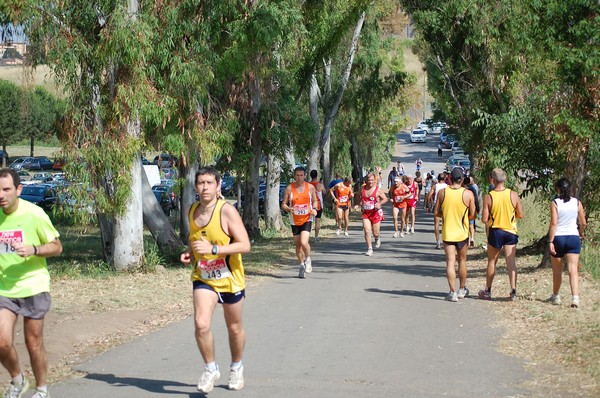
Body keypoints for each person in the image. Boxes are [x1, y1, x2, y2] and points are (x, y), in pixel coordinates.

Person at [180, 167, 251, 393]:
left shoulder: (226, 211)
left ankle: (236, 366)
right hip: (204, 278)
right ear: (195, 187)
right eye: (201, 183)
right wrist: (190, 252)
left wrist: (214, 249)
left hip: (230, 278)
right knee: (201, 324)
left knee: (234, 327)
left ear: (218, 186)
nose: (205, 187)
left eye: (210, 182)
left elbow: (245, 245)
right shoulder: (192, 211)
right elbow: (196, 239)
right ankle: (210, 368)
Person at [0, 168, 63, 398]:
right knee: (1, 342)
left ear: (18, 189)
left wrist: (33, 249)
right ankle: (18, 380)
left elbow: (57, 247)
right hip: (5, 287)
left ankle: (42, 389)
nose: (1, 195)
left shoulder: (34, 214)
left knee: (32, 342)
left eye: (6, 189)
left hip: (34, 285)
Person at [478, 168, 524, 301]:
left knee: (492, 261)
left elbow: (484, 219)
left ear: (492, 180)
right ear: (505, 179)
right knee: (511, 261)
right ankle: (513, 291)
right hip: (510, 231)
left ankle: (488, 290)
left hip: (495, 231)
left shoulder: (489, 197)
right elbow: (520, 214)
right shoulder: (513, 194)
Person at [434, 168, 476, 302]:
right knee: (462, 261)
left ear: (450, 178)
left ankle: (452, 292)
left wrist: (446, 213)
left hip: (448, 233)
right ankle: (462, 289)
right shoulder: (468, 194)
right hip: (462, 233)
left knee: (450, 262)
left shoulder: (442, 192)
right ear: (462, 179)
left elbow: (436, 212)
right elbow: (473, 215)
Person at [547, 178, 587, 308]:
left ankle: (556, 296)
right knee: (573, 269)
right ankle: (575, 297)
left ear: (558, 189)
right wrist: (580, 232)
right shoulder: (577, 202)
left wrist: (551, 240)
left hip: (559, 237)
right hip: (573, 237)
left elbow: (554, 223)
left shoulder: (555, 203)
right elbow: (583, 222)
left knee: (557, 270)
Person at [281, 167, 318, 278]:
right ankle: (301, 265)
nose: (299, 177)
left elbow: (315, 200)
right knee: (298, 245)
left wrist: (314, 209)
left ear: (305, 176)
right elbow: (283, 204)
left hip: (307, 218)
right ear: (294, 176)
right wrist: (288, 209)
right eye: (297, 175)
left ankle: (308, 260)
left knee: (303, 242)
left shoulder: (310, 187)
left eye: (301, 175)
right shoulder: (289, 188)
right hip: (294, 219)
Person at [354, 173, 388, 256]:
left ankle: (377, 238)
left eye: (372, 180)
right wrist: (357, 204)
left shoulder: (377, 190)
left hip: (375, 213)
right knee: (367, 230)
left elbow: (385, 199)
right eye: (369, 180)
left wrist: (379, 203)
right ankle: (369, 248)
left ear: (374, 180)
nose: (370, 182)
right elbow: (357, 196)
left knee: (375, 232)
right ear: (366, 180)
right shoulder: (362, 188)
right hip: (366, 213)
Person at [427, 172, 447, 249]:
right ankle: (445, 241)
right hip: (445, 205)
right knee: (445, 224)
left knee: (436, 224)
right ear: (444, 179)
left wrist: (428, 205)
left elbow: (429, 195)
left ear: (438, 179)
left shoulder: (435, 186)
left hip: (437, 205)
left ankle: (438, 242)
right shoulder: (447, 186)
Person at [308, 170, 326, 243]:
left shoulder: (308, 185)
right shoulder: (319, 185)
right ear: (317, 176)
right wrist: (322, 184)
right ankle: (316, 237)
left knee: (309, 221)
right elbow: (324, 192)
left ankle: (307, 237)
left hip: (309, 204)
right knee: (317, 221)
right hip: (318, 205)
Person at [465, 176, 480, 247]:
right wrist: (478, 210)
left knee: (465, 225)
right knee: (471, 224)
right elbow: (476, 200)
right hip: (472, 209)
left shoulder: (463, 190)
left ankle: (467, 240)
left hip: (465, 209)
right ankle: (472, 238)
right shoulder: (473, 189)